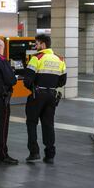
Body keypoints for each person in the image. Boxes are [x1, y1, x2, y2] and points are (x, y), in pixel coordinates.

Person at [23, 34, 66, 164]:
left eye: (36, 43)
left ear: (43, 44)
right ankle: (50, 154)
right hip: (52, 95)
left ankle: (34, 152)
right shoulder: (60, 59)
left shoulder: (36, 58)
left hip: (37, 95)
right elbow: (62, 81)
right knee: (48, 124)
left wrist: (34, 87)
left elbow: (27, 80)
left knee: (31, 123)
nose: (35, 46)